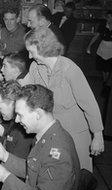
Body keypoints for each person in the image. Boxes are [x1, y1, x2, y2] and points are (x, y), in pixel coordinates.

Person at [0, 84, 80, 190]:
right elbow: (36, 170)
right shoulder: (47, 134)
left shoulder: (57, 152)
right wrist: (5, 156)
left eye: (20, 115)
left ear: (38, 113)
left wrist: (4, 176)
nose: (16, 120)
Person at [22, 27, 104, 172]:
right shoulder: (36, 67)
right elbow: (22, 89)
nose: (29, 56)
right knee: (53, 177)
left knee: (79, 178)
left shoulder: (70, 70)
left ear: (43, 48)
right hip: (51, 132)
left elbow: (89, 104)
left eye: (31, 51)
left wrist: (98, 136)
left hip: (74, 133)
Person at [0, 80, 34, 159]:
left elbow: (15, 163)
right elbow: (11, 141)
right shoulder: (14, 122)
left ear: (13, 104)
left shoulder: (25, 129)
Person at [87, 10, 112, 87]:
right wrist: (89, 46)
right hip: (103, 48)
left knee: (108, 69)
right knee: (103, 68)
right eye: (108, 17)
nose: (109, 19)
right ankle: (105, 83)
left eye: (110, 17)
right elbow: (96, 36)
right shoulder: (103, 24)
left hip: (111, 49)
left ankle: (106, 84)